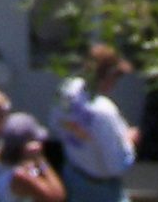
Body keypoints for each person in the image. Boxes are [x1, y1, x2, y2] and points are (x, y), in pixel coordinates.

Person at [52, 46, 139, 202]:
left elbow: (55, 124)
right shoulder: (104, 111)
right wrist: (129, 141)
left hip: (73, 176)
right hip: (101, 189)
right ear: (109, 76)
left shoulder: (67, 90)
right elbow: (117, 165)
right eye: (117, 76)